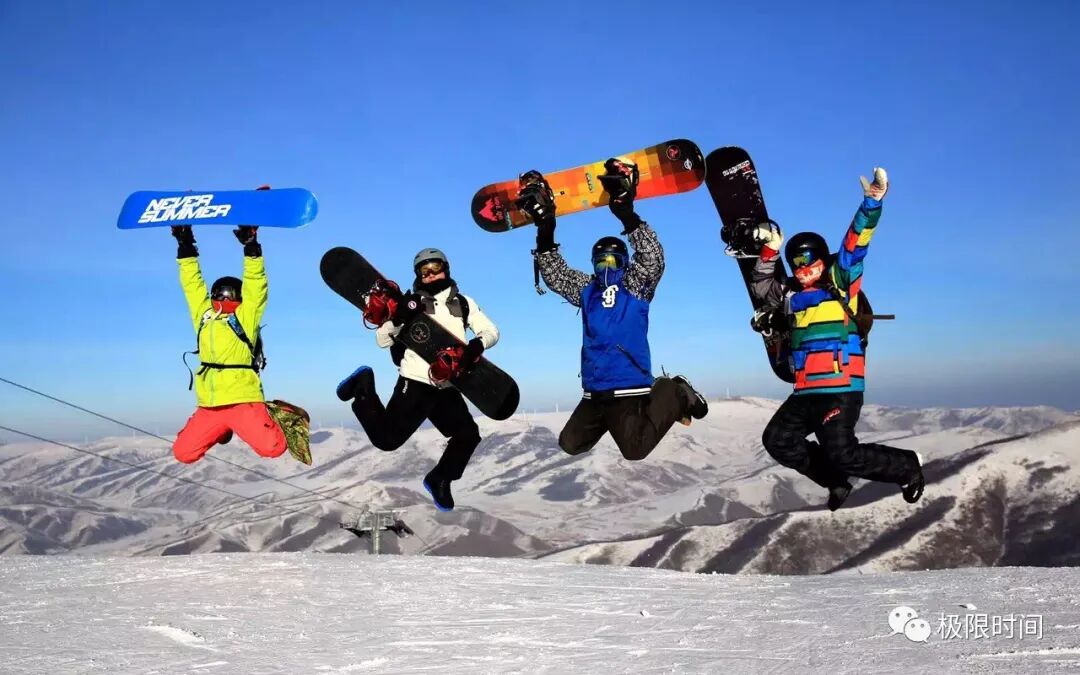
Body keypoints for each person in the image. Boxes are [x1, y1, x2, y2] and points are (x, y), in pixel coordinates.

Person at [749, 167, 925, 510]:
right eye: (797, 266)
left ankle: (908, 467)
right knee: (778, 440)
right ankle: (835, 480)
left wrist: (872, 203)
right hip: (805, 392)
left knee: (843, 452)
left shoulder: (840, 283)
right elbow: (760, 286)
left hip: (840, 388)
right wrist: (770, 250)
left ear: (822, 260)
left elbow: (855, 244)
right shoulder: (790, 295)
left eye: (809, 264)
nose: (803, 272)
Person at [523, 159, 709, 462]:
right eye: (600, 261)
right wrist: (546, 229)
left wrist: (626, 214)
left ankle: (675, 391)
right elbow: (556, 276)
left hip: (628, 385)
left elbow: (652, 259)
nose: (606, 266)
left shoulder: (635, 286)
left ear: (623, 260)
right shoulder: (587, 290)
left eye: (612, 260)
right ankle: (617, 422)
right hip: (594, 390)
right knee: (570, 443)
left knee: (635, 450)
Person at [335, 248, 499, 512]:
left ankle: (440, 478)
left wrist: (477, 345)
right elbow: (382, 340)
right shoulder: (410, 302)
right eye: (424, 271)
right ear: (418, 275)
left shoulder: (464, 303)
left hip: (446, 384)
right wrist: (399, 318)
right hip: (415, 381)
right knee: (386, 440)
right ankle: (363, 386)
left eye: (435, 267)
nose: (431, 274)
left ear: (446, 268)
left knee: (468, 435)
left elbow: (491, 331)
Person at [170, 191, 287, 464]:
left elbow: (256, 285)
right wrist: (185, 244)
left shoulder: (245, 316)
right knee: (183, 454)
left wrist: (251, 247)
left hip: (242, 399)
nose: (222, 298)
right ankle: (222, 429)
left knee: (273, 448)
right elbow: (191, 284)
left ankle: (279, 416)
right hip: (209, 403)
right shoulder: (204, 315)